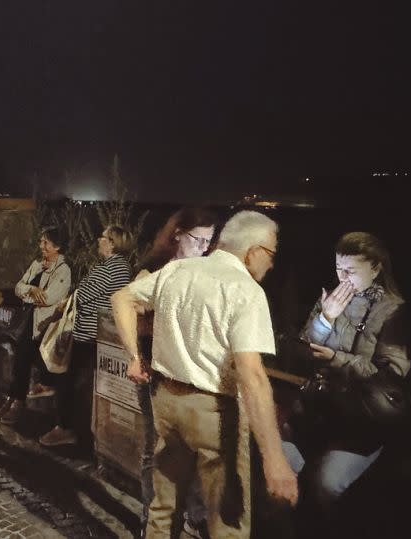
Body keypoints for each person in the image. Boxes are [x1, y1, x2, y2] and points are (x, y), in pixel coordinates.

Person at [112, 210, 297, 538]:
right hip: (213, 411)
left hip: (166, 402)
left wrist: (134, 356)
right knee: (226, 516)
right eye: (271, 255)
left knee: (163, 508)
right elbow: (252, 376)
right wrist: (274, 459)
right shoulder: (245, 291)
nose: (271, 264)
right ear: (253, 251)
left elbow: (121, 298)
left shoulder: (178, 270)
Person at [287, 232, 408, 508]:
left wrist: (336, 358)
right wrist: (325, 318)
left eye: (351, 271)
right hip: (319, 408)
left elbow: (391, 373)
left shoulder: (392, 311)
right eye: (339, 268)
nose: (343, 277)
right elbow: (302, 351)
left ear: (376, 268)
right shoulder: (331, 299)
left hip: (360, 420)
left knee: (326, 483)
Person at [134, 207, 218, 536]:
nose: (203, 248)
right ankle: (151, 524)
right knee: (156, 448)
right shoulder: (156, 268)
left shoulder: (205, 270)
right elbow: (133, 305)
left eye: (209, 242)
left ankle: (193, 520)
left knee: (196, 449)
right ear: (177, 234)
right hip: (156, 373)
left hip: (194, 374)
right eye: (198, 240)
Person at [38, 225, 133, 447]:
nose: (98, 240)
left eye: (102, 237)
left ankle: (66, 429)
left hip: (88, 336)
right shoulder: (123, 268)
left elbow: (82, 295)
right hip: (101, 335)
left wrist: (77, 292)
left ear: (111, 243)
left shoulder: (108, 269)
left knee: (70, 383)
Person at [0, 226, 72, 425]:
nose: (42, 246)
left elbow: (48, 298)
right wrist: (32, 290)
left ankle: (19, 404)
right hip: (28, 321)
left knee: (27, 363)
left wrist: (31, 295)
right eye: (41, 241)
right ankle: (14, 400)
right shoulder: (37, 264)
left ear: (58, 246)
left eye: (46, 242)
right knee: (19, 363)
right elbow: (19, 287)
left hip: (43, 326)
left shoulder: (63, 270)